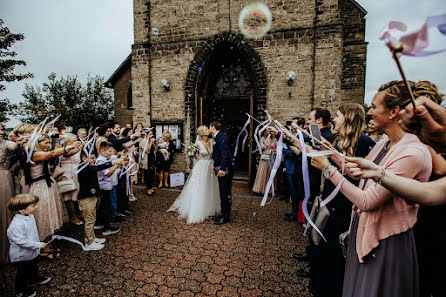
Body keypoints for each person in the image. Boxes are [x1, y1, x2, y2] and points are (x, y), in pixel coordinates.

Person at [310, 80, 432, 297]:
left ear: (394, 111)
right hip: (364, 230)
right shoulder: (384, 143)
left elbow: (367, 200)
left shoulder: (411, 152)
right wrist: (331, 152)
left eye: (374, 106)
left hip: (385, 241)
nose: (370, 112)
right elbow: (357, 171)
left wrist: (327, 168)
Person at [306, 104, 374, 297]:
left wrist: (327, 160)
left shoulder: (364, 142)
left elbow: (355, 173)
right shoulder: (338, 141)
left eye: (337, 116)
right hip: (330, 200)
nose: (334, 119)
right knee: (323, 249)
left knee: (335, 256)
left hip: (345, 205)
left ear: (348, 118)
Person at [24, 133, 81, 259]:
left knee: (50, 214)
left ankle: (48, 242)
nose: (48, 145)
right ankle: (43, 248)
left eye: (49, 143)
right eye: (45, 143)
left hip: (48, 186)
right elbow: (51, 154)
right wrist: (70, 146)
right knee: (43, 216)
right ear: (36, 143)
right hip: (40, 189)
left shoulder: (40, 153)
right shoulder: (34, 153)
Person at [167, 125, 220, 223]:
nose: (207, 130)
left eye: (207, 129)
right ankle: (198, 210)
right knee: (200, 187)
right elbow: (195, 156)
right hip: (201, 167)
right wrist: (193, 153)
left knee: (210, 187)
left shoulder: (212, 142)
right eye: (205, 129)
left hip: (210, 167)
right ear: (201, 133)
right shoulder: (197, 143)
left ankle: (209, 208)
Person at [7, 194, 52, 297]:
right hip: (21, 256)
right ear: (21, 210)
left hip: (31, 251)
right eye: (33, 206)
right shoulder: (16, 224)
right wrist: (38, 244)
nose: (36, 207)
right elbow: (21, 242)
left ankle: (34, 278)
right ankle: (21, 290)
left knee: (33, 266)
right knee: (22, 273)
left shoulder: (30, 216)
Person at [77, 152, 123, 251]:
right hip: (86, 199)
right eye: (91, 158)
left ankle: (92, 238)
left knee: (92, 219)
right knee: (89, 221)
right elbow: (99, 168)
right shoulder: (84, 168)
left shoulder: (88, 167)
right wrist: (113, 162)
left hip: (91, 197)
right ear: (84, 158)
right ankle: (89, 242)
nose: (94, 160)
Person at [0, 123, 19, 264]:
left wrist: (17, 141)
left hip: (3, 180)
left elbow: (13, 146)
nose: (1, 132)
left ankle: (6, 251)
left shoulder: (6, 144)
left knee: (4, 212)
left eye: (1, 129)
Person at [95, 141, 121, 236]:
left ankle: (99, 223)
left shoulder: (106, 157)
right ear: (102, 151)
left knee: (103, 206)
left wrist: (119, 156)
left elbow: (114, 157)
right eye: (109, 151)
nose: (111, 153)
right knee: (106, 206)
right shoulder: (101, 161)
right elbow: (108, 173)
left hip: (107, 186)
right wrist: (116, 165)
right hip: (103, 186)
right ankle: (106, 228)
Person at [209, 121, 233, 225]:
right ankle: (223, 213)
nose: (209, 129)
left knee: (225, 192)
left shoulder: (221, 138)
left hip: (224, 168)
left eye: (209, 127)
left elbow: (225, 155)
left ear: (213, 127)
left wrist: (222, 169)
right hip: (221, 167)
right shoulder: (217, 137)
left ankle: (226, 217)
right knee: (223, 192)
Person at [59, 133, 83, 225]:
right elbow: (68, 154)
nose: (76, 141)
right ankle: (72, 216)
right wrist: (79, 147)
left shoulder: (76, 149)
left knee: (77, 196)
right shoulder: (63, 149)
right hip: (67, 174)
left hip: (76, 173)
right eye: (74, 140)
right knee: (69, 197)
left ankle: (78, 213)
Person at [252, 127, 277, 194]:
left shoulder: (274, 139)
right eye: (268, 132)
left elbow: (277, 147)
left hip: (272, 158)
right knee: (263, 173)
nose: (270, 133)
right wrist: (265, 144)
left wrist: (275, 150)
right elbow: (261, 147)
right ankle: (260, 189)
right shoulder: (263, 138)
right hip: (264, 158)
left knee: (270, 174)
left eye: (271, 132)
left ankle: (269, 190)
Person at [122, 128, 141, 201]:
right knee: (127, 178)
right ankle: (127, 194)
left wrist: (136, 152)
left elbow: (132, 149)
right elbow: (126, 146)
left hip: (132, 160)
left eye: (131, 132)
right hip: (127, 160)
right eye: (129, 132)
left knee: (131, 178)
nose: (130, 133)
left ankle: (131, 193)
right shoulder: (124, 140)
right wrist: (135, 141)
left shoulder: (131, 140)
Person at [139, 130, 156, 196]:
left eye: (152, 134)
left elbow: (154, 149)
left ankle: (151, 187)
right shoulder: (143, 142)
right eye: (150, 134)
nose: (152, 135)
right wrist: (151, 142)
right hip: (146, 159)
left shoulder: (150, 141)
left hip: (152, 158)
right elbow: (147, 150)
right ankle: (148, 188)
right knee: (148, 174)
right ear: (146, 135)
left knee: (152, 173)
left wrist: (156, 143)